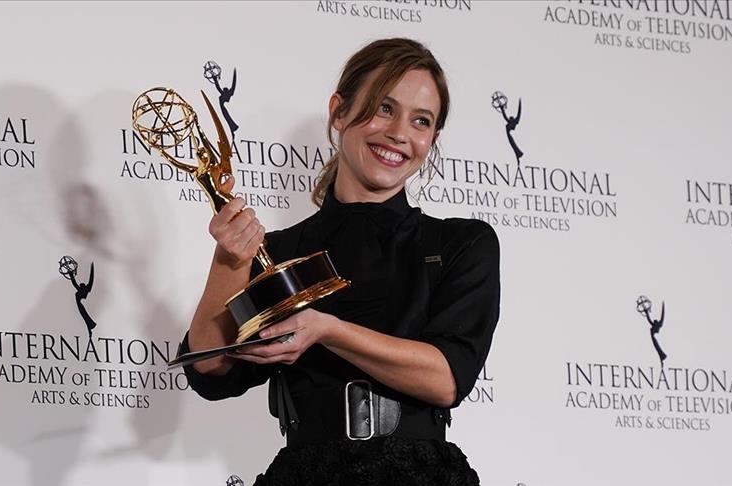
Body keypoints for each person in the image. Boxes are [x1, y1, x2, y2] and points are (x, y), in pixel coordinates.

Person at [179, 37, 501, 485]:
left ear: (432, 139)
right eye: (384, 108)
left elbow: (446, 378)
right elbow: (211, 371)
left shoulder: (460, 244)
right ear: (339, 112)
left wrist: (327, 330)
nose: (399, 133)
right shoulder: (279, 252)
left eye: (421, 120)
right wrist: (229, 259)